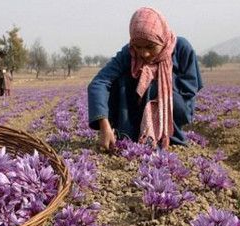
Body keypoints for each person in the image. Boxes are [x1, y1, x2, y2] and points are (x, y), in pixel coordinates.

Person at [87, 7, 203, 150]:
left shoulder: (181, 48)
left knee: (151, 81)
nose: (144, 53)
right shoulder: (129, 52)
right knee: (120, 79)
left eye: (151, 46)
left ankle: (165, 135)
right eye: (138, 47)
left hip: (175, 108)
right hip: (136, 110)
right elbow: (99, 82)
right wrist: (104, 124)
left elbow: (189, 90)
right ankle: (127, 132)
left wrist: (156, 84)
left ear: (162, 38)